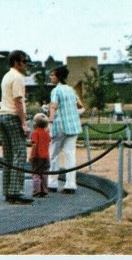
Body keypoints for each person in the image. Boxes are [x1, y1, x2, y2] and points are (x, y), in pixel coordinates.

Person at [0, 49, 32, 204]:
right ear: (17, 62)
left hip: (2, 115)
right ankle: (16, 192)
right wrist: (24, 123)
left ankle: (8, 190)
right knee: (19, 154)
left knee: (9, 156)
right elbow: (18, 102)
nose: (26, 65)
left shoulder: (6, 76)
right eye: (24, 61)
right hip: (12, 116)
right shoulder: (18, 78)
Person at [48, 65, 84, 194]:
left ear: (58, 77)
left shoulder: (56, 91)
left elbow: (53, 106)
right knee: (70, 155)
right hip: (73, 126)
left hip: (60, 125)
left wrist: (50, 121)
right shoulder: (71, 90)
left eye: (52, 75)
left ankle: (52, 183)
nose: (51, 77)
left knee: (53, 154)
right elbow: (80, 105)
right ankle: (70, 184)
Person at [29, 113, 51, 198]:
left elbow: (34, 145)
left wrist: (31, 156)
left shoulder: (35, 133)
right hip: (46, 156)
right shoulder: (46, 133)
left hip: (38, 156)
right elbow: (48, 142)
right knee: (44, 173)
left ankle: (36, 191)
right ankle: (44, 190)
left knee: (36, 173)